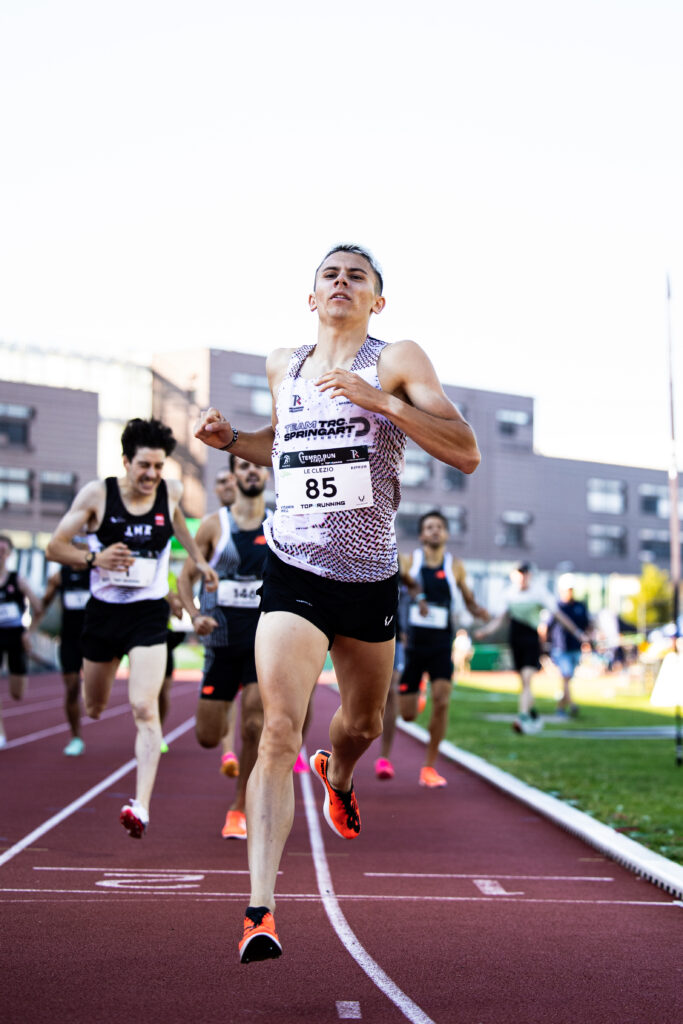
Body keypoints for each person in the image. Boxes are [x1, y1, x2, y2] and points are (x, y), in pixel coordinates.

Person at [194, 242, 481, 962]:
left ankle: (341, 773)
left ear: (376, 301)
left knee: (360, 723)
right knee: (277, 730)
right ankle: (260, 910)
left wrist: (380, 402)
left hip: (369, 578)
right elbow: (284, 445)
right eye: (330, 274)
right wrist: (233, 439)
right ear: (311, 296)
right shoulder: (281, 364)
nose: (342, 282)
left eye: (358, 276)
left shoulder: (395, 359)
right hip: (292, 571)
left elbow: (466, 449)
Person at [45, 417, 219, 837]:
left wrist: (197, 559)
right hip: (104, 614)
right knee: (95, 706)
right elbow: (54, 547)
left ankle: (140, 805)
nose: (152, 476)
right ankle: (96, 707)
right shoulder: (97, 496)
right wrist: (94, 559)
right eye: (144, 466)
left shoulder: (169, 491)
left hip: (147, 611)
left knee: (144, 706)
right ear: (125, 461)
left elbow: (177, 521)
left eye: (159, 467)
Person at [177, 457, 270, 840]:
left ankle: (239, 806)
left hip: (264, 639)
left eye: (257, 466)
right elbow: (186, 577)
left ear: (267, 473)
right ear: (233, 475)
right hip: (220, 640)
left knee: (252, 723)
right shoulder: (216, 525)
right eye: (243, 467)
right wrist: (194, 614)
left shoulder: (282, 523)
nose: (251, 471)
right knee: (207, 736)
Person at [391, 510, 490, 787]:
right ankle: (417, 691)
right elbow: (405, 585)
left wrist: (479, 611)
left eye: (439, 527)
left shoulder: (454, 565)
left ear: (446, 534)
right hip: (413, 645)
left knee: (443, 700)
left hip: (440, 644)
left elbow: (467, 598)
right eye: (429, 527)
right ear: (422, 534)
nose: (434, 531)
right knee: (408, 716)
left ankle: (429, 767)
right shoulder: (410, 561)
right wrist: (418, 594)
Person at [475, 563, 587, 734]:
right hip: (515, 639)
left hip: (531, 639)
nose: (522, 578)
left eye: (525, 574)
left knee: (527, 679)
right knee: (523, 682)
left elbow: (559, 615)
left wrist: (577, 632)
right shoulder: (510, 593)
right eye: (519, 574)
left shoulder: (539, 592)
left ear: (529, 576)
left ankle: (523, 717)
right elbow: (500, 619)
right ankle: (532, 711)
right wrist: (485, 631)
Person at [39, 538, 92, 755]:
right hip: (69, 639)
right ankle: (76, 737)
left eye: (82, 546)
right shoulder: (61, 576)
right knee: (71, 689)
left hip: (94, 639)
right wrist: (51, 589)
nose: (78, 551)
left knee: (96, 693)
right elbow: (44, 604)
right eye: (75, 547)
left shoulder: (97, 573)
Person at [0, 535, 42, 747]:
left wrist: (29, 632)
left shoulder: (17, 580)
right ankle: (0, 732)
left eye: (3, 551)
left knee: (17, 694)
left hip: (15, 634)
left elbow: (38, 606)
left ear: (8, 554)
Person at [546, 573, 590, 718]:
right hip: (560, 648)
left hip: (575, 647)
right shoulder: (556, 607)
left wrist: (588, 638)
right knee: (566, 676)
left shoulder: (580, 606)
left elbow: (587, 625)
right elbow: (546, 626)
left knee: (568, 678)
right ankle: (571, 704)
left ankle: (560, 707)